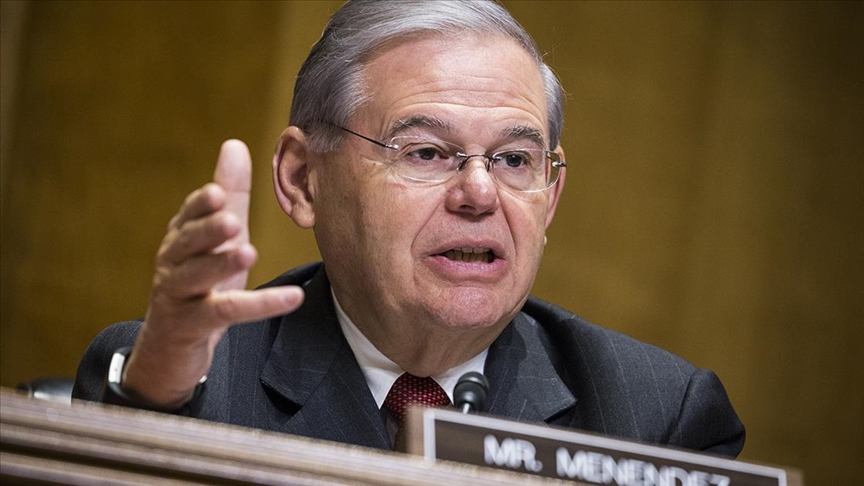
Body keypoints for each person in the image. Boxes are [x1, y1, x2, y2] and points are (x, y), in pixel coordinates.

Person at [73, 0, 745, 457]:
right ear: (303, 179)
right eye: (425, 152)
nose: (479, 193)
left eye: (515, 160)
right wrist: (156, 396)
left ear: (550, 198)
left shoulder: (655, 417)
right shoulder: (182, 379)